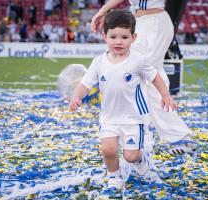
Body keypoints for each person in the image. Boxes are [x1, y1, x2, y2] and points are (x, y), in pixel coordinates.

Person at [69, 9, 177, 193]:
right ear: (105, 36)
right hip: (109, 118)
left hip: (134, 118)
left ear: (133, 38)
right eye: (113, 36)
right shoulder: (99, 62)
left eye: (124, 37)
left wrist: (165, 95)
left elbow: (155, 77)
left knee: (131, 156)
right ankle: (114, 177)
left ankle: (141, 160)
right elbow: (85, 83)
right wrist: (76, 96)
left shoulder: (138, 61)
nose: (118, 41)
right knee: (108, 150)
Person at [91, 0, 193, 154]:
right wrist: (102, 10)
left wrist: (103, 10)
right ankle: (174, 136)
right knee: (148, 77)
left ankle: (142, 139)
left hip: (155, 22)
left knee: (139, 75)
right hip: (139, 21)